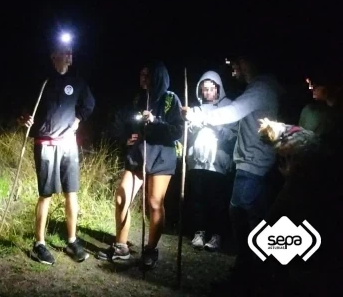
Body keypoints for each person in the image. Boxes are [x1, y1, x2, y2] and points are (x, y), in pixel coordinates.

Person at [183, 54, 284, 283]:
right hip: (252, 161)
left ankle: (253, 266)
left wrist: (198, 114)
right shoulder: (258, 87)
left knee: (240, 212)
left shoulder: (261, 88)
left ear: (249, 62)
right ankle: (257, 267)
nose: (233, 68)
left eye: (237, 62)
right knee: (252, 215)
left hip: (254, 162)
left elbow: (233, 112)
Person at [98, 60, 184, 270]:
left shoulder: (170, 99)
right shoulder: (139, 98)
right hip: (139, 153)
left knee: (155, 202)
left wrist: (155, 121)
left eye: (147, 75)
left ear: (157, 77)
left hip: (162, 155)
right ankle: (121, 247)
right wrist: (126, 136)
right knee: (121, 197)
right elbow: (128, 122)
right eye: (141, 74)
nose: (142, 78)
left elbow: (177, 131)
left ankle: (151, 249)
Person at [17, 45, 95, 265]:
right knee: (46, 194)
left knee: (72, 192)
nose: (69, 56)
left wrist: (78, 119)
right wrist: (25, 119)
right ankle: (39, 243)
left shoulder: (78, 81)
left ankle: (72, 240)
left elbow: (89, 104)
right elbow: (25, 109)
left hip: (68, 143)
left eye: (71, 52)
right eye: (64, 52)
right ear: (53, 57)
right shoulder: (42, 81)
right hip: (46, 144)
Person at [186, 71, 237, 252]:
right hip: (198, 161)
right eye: (204, 89)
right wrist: (192, 124)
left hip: (218, 162)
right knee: (198, 198)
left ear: (218, 89)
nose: (207, 93)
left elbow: (233, 136)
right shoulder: (197, 109)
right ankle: (199, 232)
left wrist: (218, 127)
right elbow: (188, 133)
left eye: (211, 89)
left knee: (217, 199)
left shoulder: (229, 107)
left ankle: (217, 235)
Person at [299, 70, 340, 137]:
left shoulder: (335, 114)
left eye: (315, 86)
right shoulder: (309, 109)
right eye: (310, 85)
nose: (310, 88)